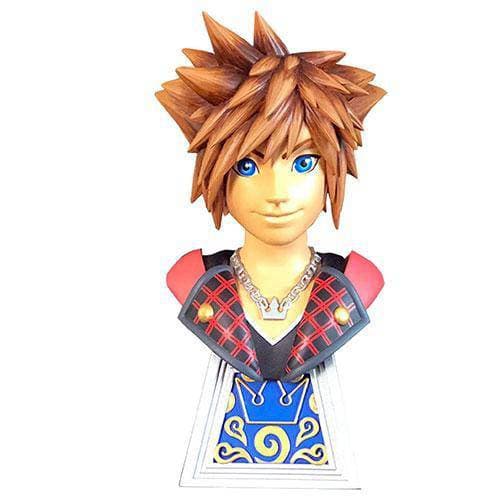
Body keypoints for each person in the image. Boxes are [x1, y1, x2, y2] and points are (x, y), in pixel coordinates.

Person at [156, 12, 385, 466]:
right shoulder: (193, 278)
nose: (277, 192)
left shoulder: (357, 281)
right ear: (217, 172)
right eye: (248, 166)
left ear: (333, 167)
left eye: (303, 162)